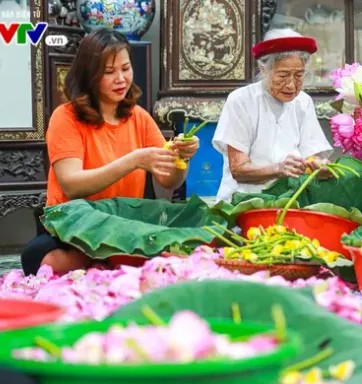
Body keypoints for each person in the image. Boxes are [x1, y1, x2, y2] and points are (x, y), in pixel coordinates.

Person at [20, 28, 197, 276]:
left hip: (124, 228)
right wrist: (134, 160)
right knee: (46, 260)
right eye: (109, 72)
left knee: (183, 249)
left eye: (125, 69)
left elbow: (169, 179)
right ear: (89, 75)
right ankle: (107, 265)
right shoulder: (66, 117)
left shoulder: (139, 117)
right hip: (74, 228)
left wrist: (182, 158)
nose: (121, 79)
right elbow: (72, 185)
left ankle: (108, 265)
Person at [212, 28, 333, 202]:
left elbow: (311, 155)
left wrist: (319, 165)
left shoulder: (303, 102)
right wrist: (279, 169)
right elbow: (238, 169)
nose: (291, 85)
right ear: (263, 69)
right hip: (243, 201)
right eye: (283, 75)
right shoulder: (241, 100)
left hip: (289, 201)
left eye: (299, 75)